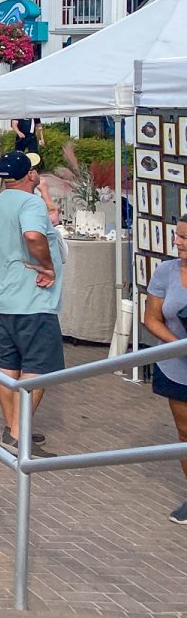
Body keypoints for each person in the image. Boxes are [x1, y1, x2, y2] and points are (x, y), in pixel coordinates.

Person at [0, 150, 63, 458]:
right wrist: (47, 265)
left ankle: (13, 427)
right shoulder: (30, 203)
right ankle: (16, 434)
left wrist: (9, 255)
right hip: (32, 300)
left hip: (2, 298)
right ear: (29, 176)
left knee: (9, 363)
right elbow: (33, 234)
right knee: (38, 367)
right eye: (34, 170)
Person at [142, 218, 187, 524]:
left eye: (184, 237)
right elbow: (152, 318)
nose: (177, 241)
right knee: (185, 434)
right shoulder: (165, 271)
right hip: (177, 368)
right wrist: (179, 345)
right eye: (177, 235)